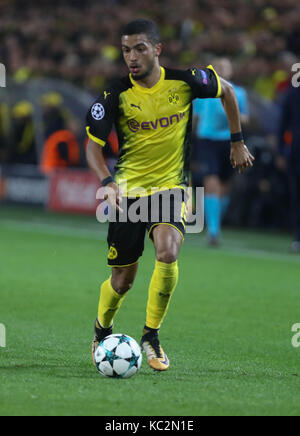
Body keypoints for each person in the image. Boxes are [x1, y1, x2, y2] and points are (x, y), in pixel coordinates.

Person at [85, 19, 254, 371]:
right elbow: (92, 147)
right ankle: (102, 330)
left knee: (168, 250)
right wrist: (106, 182)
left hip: (171, 188)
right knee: (122, 281)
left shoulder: (186, 81)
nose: (132, 57)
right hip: (128, 194)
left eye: (140, 48)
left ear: (157, 49)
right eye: (126, 50)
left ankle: (151, 335)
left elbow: (229, 91)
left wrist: (236, 141)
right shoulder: (114, 95)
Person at [192, 58, 250, 246]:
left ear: (232, 71)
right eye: (219, 67)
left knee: (225, 184)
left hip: (230, 140)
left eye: (226, 67)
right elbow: (195, 118)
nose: (223, 70)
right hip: (208, 139)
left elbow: (245, 118)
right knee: (212, 178)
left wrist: (233, 116)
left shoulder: (238, 93)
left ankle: (215, 223)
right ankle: (214, 231)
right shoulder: (204, 92)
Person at [278, 84, 300, 252]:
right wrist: (280, 152)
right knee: (296, 195)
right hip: (296, 153)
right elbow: (283, 123)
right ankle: (298, 237)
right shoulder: (294, 92)